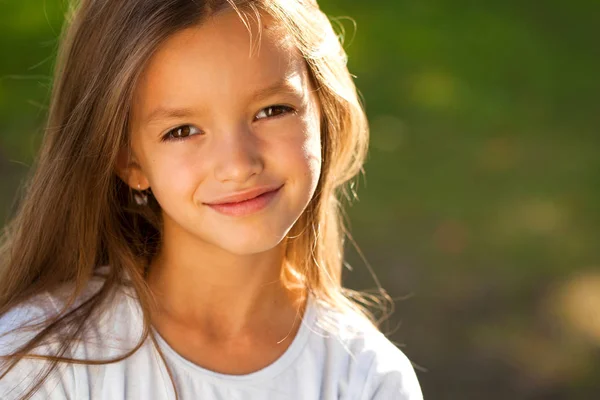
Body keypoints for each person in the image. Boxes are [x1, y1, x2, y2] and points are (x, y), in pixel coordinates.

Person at [0, 0, 423, 399]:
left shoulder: (367, 378)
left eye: (271, 110)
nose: (238, 164)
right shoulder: (39, 365)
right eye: (182, 130)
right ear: (128, 160)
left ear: (323, 110)